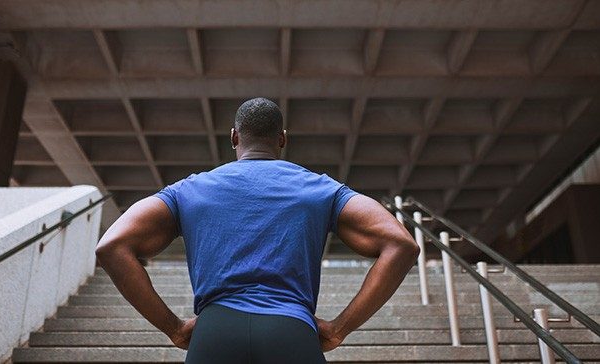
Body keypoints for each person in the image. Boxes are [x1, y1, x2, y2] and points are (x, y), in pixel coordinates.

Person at [95, 97, 420, 363]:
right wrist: (338, 329)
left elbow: (112, 246)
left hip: (214, 333)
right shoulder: (320, 189)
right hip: (292, 331)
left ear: (234, 137)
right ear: (282, 139)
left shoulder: (188, 190)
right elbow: (400, 244)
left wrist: (175, 329)